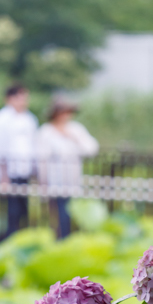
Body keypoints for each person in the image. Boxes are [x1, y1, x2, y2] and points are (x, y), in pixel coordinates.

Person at [36, 99, 99, 238]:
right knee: (59, 215)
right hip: (55, 182)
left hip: (73, 181)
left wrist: (73, 138)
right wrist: (43, 182)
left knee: (72, 214)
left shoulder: (76, 129)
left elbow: (92, 149)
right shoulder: (46, 132)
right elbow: (42, 159)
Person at [0, 83, 38, 238]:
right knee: (11, 212)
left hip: (24, 171)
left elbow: (33, 146)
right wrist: (3, 177)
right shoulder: (0, 119)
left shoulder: (29, 119)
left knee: (23, 210)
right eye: (20, 97)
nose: (24, 101)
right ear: (9, 99)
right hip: (8, 173)